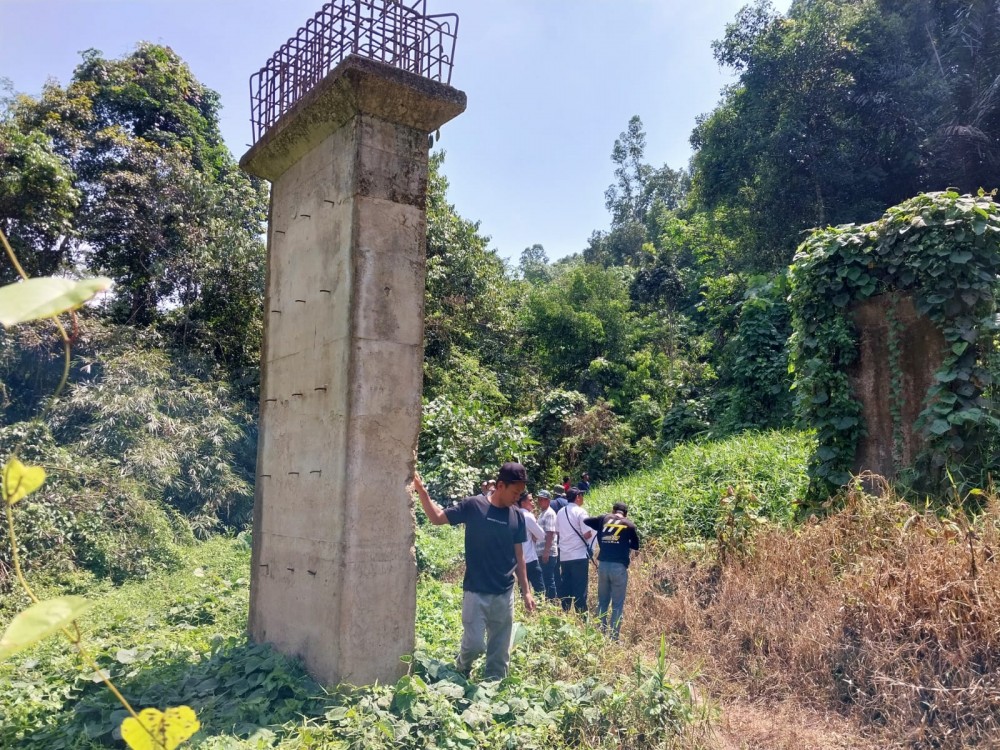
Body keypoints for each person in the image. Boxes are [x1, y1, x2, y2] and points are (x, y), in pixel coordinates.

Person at [412, 463, 536, 680]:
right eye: (514, 492)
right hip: (476, 591)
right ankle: (462, 667)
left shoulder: (517, 516)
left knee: (499, 651)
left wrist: (525, 591)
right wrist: (422, 492)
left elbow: (520, 557)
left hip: (504, 593)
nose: (517, 497)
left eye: (520, 493)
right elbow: (437, 518)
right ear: (500, 485)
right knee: (475, 644)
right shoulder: (474, 506)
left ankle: (493, 688)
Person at [584, 502, 640, 640]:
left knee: (602, 601)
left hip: (603, 565)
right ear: (625, 514)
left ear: (613, 510)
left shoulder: (603, 519)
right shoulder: (629, 525)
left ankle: (600, 634)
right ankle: (613, 638)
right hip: (618, 568)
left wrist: (605, 519)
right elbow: (636, 545)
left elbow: (586, 521)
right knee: (617, 604)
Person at [556, 488, 594, 613]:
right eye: (581, 495)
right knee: (580, 589)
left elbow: (557, 532)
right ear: (577, 496)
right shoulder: (580, 512)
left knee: (566, 586)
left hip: (564, 556)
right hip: (579, 556)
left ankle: (565, 612)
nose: (582, 498)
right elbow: (587, 534)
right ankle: (582, 618)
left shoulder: (560, 512)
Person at [516, 492, 546, 595]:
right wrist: (534, 536)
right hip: (530, 558)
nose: (533, 503)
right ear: (523, 503)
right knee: (540, 590)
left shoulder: (513, 515)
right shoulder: (528, 516)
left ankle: (526, 610)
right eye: (530, 500)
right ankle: (540, 609)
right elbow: (541, 535)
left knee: (523, 590)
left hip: (518, 560)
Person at [535, 489, 559, 600]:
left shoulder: (549, 513)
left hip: (548, 552)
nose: (539, 501)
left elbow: (550, 533)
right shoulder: (542, 513)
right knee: (545, 578)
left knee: (549, 579)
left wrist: (546, 551)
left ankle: (552, 602)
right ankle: (548, 601)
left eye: (542, 499)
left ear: (548, 500)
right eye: (538, 499)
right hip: (542, 551)